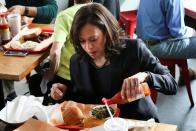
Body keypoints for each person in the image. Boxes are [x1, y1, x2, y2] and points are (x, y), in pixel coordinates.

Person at [50, 3, 178, 122]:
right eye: (82, 41)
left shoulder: (134, 49)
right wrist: (65, 92)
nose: (88, 47)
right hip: (99, 125)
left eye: (93, 39)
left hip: (137, 123)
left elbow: (171, 84)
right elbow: (82, 99)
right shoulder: (77, 61)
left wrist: (146, 76)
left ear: (106, 33)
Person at [28, 0, 92, 101]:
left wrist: (51, 74)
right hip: (92, 77)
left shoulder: (65, 16)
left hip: (68, 79)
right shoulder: (98, 12)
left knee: (34, 80)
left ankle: (44, 109)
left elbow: (55, 52)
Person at [1, 0, 58, 103]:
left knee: (45, 68)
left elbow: (52, 10)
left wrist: (24, 10)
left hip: (43, 38)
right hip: (16, 39)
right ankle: (10, 97)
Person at [136, 0, 196, 85]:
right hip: (156, 47)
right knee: (189, 35)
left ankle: (185, 71)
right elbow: (177, 33)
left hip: (141, 43)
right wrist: (192, 32)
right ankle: (184, 71)